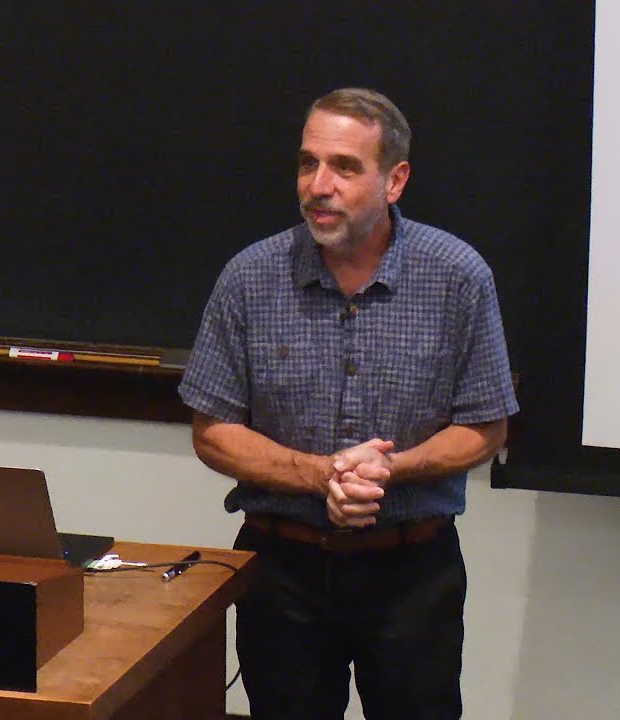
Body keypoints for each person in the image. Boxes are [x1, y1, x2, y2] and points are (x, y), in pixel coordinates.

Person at [179, 87, 518, 719]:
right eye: (308, 163)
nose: (318, 186)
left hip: (414, 573)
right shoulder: (250, 277)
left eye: (344, 167)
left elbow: (485, 427)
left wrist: (390, 469)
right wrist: (323, 474)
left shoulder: (457, 276)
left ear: (395, 180)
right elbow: (213, 430)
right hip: (282, 573)